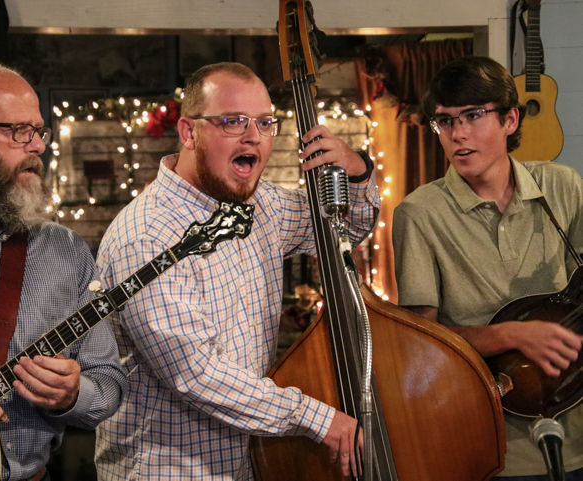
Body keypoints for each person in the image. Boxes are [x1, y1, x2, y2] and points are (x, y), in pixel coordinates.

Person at [94, 61, 380, 480]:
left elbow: (348, 230)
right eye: (233, 122)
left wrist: (357, 173)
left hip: (247, 466)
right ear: (189, 132)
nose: (253, 137)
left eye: (265, 123)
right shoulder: (147, 234)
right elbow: (197, 374)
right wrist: (319, 419)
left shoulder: (263, 205)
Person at [0, 60, 128, 481]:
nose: (37, 146)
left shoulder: (66, 250)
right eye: (17, 131)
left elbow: (109, 381)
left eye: (39, 131)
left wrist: (73, 395)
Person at [392, 56, 583, 479]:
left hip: (577, 435)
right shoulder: (419, 214)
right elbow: (420, 346)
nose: (458, 134)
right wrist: (509, 334)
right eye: (444, 121)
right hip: (489, 448)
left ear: (510, 119)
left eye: (473, 116)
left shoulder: (564, 187)